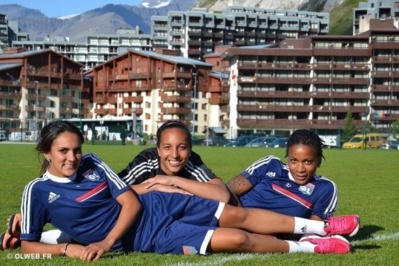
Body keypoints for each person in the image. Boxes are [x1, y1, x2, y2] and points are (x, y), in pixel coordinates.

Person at [11, 120, 359, 260]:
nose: (73, 157)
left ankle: (322, 229)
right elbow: (35, 243)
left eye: (76, 149)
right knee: (236, 239)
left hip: (158, 207)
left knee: (236, 215)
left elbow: (125, 201)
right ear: (46, 153)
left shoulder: (93, 163)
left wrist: (167, 183)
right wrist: (62, 243)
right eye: (63, 151)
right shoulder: (37, 191)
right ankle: (308, 250)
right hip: (148, 238)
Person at [227, 129, 336, 221]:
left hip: (259, 238)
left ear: (319, 161)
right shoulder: (269, 165)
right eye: (293, 161)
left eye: (308, 162)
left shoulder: (324, 188)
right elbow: (227, 190)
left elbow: (315, 229)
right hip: (232, 220)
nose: (300, 169)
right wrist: (242, 219)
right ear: (287, 157)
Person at [117, 120, 232, 203]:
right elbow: (112, 190)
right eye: (167, 147)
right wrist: (155, 187)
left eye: (182, 147)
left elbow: (222, 195)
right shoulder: (147, 162)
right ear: (158, 150)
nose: (175, 155)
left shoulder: (192, 163)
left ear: (190, 150)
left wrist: (172, 180)